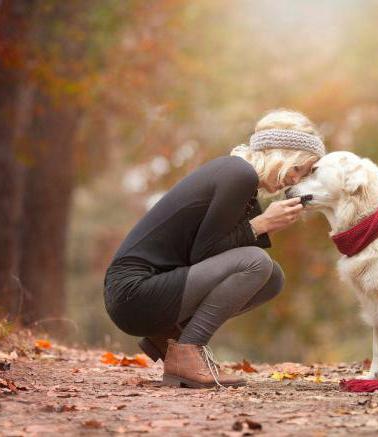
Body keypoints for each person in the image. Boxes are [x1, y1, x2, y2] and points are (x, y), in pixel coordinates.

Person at [103, 109, 325, 388]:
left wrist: (263, 224)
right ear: (281, 154)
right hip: (134, 294)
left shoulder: (241, 179)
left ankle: (170, 337)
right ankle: (187, 349)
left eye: (303, 175)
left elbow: (210, 252)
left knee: (272, 277)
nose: (295, 180)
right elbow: (205, 254)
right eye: (297, 169)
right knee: (257, 262)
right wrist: (262, 223)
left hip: (149, 292)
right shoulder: (238, 174)